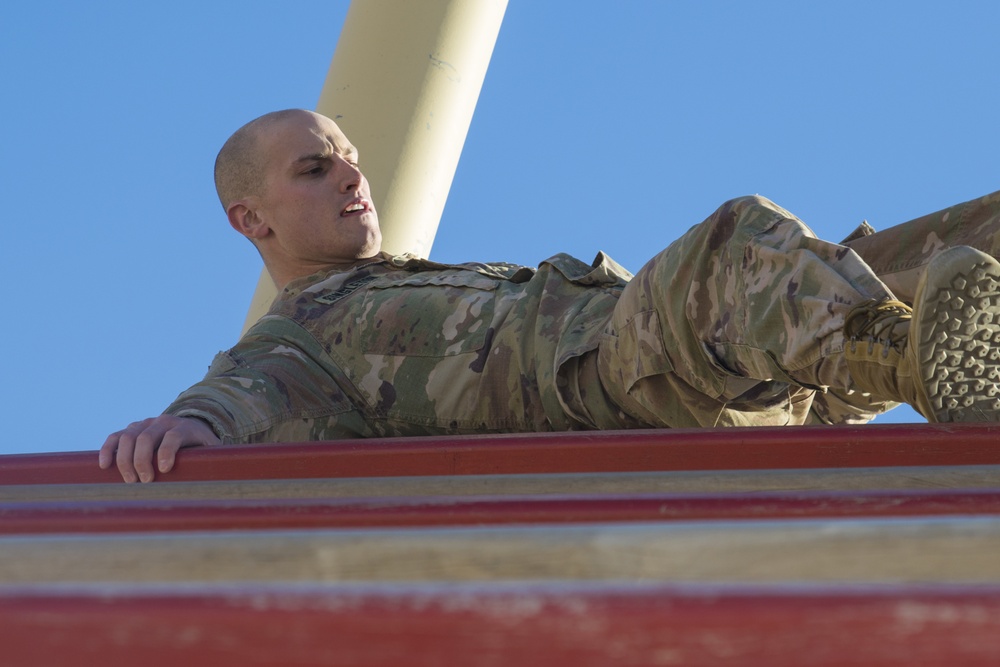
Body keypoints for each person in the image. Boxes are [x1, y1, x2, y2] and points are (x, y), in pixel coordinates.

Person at [99, 108, 1000, 483]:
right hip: (617, 392)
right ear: (249, 219)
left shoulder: (403, 280)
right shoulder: (296, 339)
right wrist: (181, 429)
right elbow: (233, 398)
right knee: (732, 245)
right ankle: (901, 351)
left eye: (350, 158)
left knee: (920, 251)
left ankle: (917, 343)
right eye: (314, 167)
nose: (351, 176)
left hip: (733, 381)